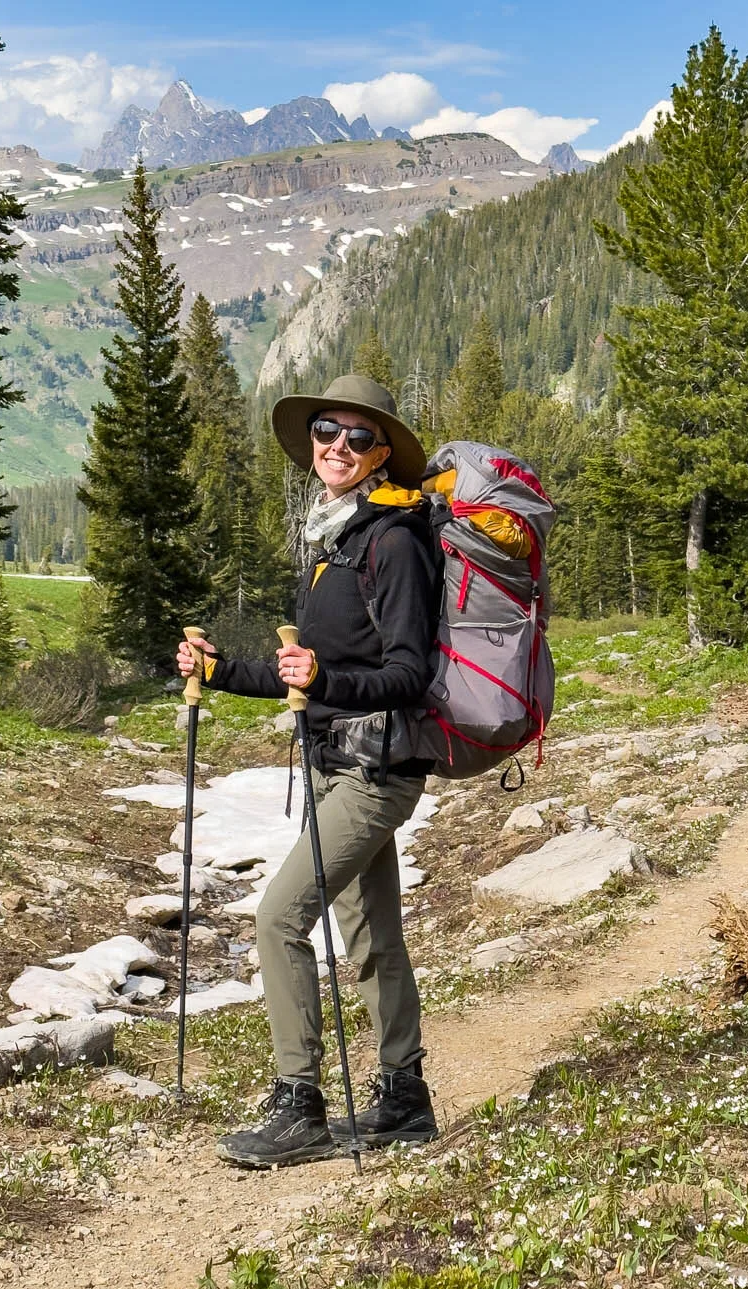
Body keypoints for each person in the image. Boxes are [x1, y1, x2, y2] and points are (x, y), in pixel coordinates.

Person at [177, 374, 440, 1168]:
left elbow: (409, 674)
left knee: (276, 919)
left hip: (375, 768)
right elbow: (305, 674)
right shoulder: (336, 542)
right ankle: (406, 1101)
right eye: (327, 430)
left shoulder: (391, 542)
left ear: (382, 454)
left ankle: (301, 1104)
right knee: (370, 933)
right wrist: (222, 671)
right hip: (338, 763)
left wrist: (324, 684)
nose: (338, 446)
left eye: (358, 437)